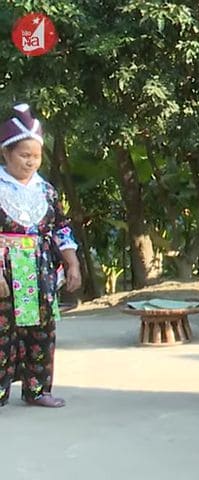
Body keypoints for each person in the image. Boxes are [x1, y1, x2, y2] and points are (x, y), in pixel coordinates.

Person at [0, 104, 82, 409]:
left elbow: (61, 229)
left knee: (42, 329)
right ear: (6, 154)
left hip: (40, 270)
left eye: (35, 156)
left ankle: (37, 389)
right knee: (2, 329)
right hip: (5, 268)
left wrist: (72, 263)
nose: (31, 161)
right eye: (24, 155)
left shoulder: (46, 191)